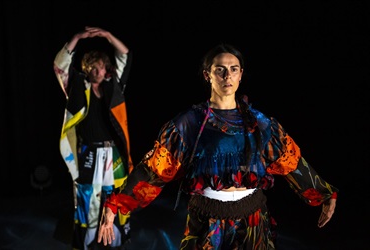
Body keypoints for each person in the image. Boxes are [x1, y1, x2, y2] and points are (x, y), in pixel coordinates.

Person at [97, 43, 338, 249]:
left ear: (241, 74)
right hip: (207, 221)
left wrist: (325, 194)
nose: (227, 76)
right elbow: (153, 171)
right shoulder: (188, 124)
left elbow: (291, 163)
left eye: (233, 70)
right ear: (207, 75)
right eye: (220, 70)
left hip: (252, 220)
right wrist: (115, 205)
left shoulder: (260, 124)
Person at [53, 26, 134, 250]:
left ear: (107, 69)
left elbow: (125, 55)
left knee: (115, 198)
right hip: (88, 153)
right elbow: (60, 66)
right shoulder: (77, 88)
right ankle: (87, 243)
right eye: (93, 67)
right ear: (86, 69)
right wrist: (77, 37)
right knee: (87, 199)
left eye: (101, 67)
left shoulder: (114, 88)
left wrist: (108, 36)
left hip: (113, 154)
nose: (97, 71)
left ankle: (115, 241)